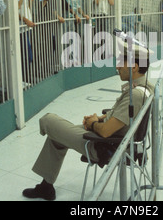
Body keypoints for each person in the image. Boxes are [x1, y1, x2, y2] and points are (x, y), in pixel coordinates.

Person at [22, 42, 154, 201]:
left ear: (134, 66)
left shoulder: (136, 96)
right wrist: (99, 118)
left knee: (49, 120)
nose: (117, 67)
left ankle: (46, 186)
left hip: (104, 146)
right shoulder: (147, 88)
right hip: (118, 142)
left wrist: (92, 124)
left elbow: (105, 131)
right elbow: (125, 119)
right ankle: (46, 187)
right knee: (56, 135)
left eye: (121, 63)